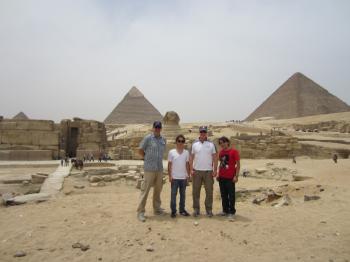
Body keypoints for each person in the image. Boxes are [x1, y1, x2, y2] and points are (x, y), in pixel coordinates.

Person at [137, 121, 167, 222]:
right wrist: (146, 158)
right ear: (153, 128)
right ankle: (141, 212)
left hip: (159, 168)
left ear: (161, 128)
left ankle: (157, 209)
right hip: (149, 168)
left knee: (158, 190)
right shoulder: (148, 138)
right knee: (145, 190)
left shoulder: (163, 139)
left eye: (159, 127)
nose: (157, 129)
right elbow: (140, 150)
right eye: (156, 127)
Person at [189, 126, 218, 217]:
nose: (203, 133)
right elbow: (191, 158)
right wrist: (190, 169)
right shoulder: (194, 144)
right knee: (195, 191)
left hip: (208, 171)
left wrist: (215, 170)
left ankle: (209, 210)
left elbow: (215, 158)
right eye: (201, 132)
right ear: (199, 133)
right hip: (197, 171)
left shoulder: (211, 144)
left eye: (204, 132)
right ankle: (196, 209)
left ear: (206, 133)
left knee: (209, 191)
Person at [217, 136, 240, 220]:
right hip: (222, 177)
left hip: (230, 177)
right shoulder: (221, 152)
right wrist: (218, 174)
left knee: (231, 195)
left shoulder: (234, 151)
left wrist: (236, 176)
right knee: (223, 195)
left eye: (223, 142)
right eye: (220, 143)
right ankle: (225, 210)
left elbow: (238, 165)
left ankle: (231, 212)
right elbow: (222, 164)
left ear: (227, 142)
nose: (222, 144)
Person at [168, 134, 190, 218]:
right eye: (179, 141)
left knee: (183, 195)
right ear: (176, 142)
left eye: (182, 141)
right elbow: (169, 165)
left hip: (183, 178)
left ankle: (182, 210)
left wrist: (188, 176)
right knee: (173, 195)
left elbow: (187, 164)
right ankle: (173, 211)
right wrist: (170, 176)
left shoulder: (186, 152)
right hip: (175, 178)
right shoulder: (171, 152)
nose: (181, 143)